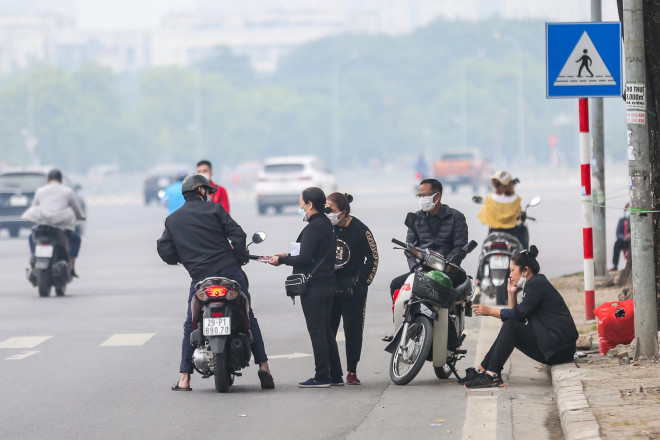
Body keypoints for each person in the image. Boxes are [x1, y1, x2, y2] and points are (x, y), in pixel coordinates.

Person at [157, 174, 274, 391]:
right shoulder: (214, 210)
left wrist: (183, 259)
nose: (210, 196)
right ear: (201, 191)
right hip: (229, 272)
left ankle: (184, 378)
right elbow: (238, 235)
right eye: (208, 192)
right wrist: (239, 257)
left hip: (200, 278)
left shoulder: (173, 220)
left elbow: (164, 250)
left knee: (190, 323)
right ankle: (264, 367)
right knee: (248, 315)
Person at [465, 246, 578, 388]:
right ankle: (483, 369)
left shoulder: (537, 285)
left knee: (510, 327)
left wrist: (490, 311)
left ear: (525, 270)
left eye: (512, 270)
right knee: (511, 325)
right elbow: (517, 318)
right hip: (555, 347)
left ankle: (492, 374)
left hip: (558, 350)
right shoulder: (535, 283)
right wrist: (511, 293)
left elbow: (517, 316)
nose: (510, 275)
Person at [267, 187, 343, 388]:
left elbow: (304, 258)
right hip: (327, 283)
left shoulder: (314, 227)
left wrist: (282, 260)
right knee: (326, 332)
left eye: (301, 204)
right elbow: (311, 254)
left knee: (317, 332)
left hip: (315, 286)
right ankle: (335, 375)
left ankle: (322, 377)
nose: (300, 207)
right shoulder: (325, 224)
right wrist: (286, 256)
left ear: (310, 205)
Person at [326, 192, 379, 385]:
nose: (327, 214)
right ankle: (332, 371)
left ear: (343, 212)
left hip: (353, 289)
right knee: (328, 330)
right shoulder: (324, 228)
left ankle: (352, 371)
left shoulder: (360, 229)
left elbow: (373, 258)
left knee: (353, 330)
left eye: (330, 210)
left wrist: (363, 282)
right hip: (329, 289)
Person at [390, 178, 468, 299]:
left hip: (447, 269)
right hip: (422, 268)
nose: (421, 199)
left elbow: (460, 247)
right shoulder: (415, 217)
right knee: (396, 284)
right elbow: (409, 247)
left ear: (437, 196)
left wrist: (445, 265)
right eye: (419, 196)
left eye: (424, 195)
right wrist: (415, 268)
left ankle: (451, 315)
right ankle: (403, 316)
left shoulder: (456, 217)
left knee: (459, 283)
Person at [22, 169, 85, 276]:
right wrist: (80, 216)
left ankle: (34, 258)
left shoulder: (40, 191)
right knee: (76, 239)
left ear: (48, 180)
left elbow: (34, 207)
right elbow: (76, 208)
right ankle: (71, 265)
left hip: (43, 226)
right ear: (60, 180)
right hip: (61, 227)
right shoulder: (67, 191)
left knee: (31, 237)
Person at [475, 170, 524, 293]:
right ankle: (523, 279)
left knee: (483, 255)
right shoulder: (516, 200)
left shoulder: (490, 199)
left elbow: (483, 216)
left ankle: (478, 283)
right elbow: (519, 216)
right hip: (512, 235)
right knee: (521, 254)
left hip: (493, 235)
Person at [610, 203, 631, 271]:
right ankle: (615, 265)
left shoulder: (635, 221)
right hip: (624, 240)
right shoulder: (622, 220)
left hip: (632, 240)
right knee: (617, 244)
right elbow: (618, 233)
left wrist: (630, 235)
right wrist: (624, 237)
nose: (629, 211)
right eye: (628, 210)